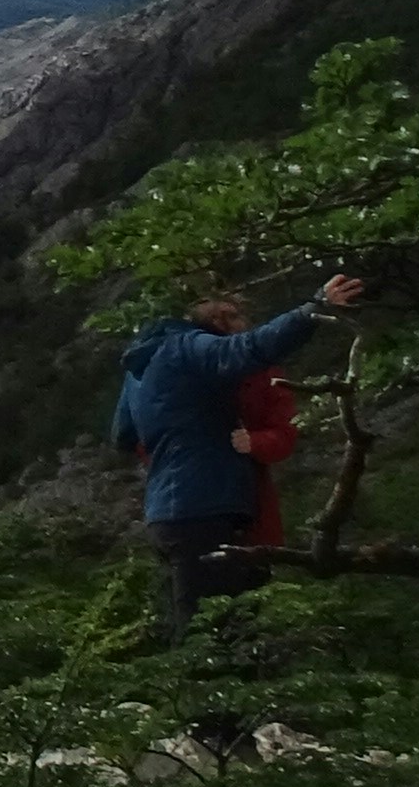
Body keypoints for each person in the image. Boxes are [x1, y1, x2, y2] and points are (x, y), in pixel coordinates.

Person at [111, 272, 361, 640]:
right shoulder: (187, 347)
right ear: (203, 320)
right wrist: (313, 307)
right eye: (222, 315)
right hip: (206, 509)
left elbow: (123, 434)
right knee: (219, 639)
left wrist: (173, 446)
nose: (229, 323)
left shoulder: (140, 366)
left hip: (167, 513)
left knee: (198, 630)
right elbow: (247, 350)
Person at [231, 358, 303, 548]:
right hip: (186, 507)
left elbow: (285, 433)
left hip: (249, 506)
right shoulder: (169, 366)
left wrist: (254, 442)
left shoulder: (261, 369)